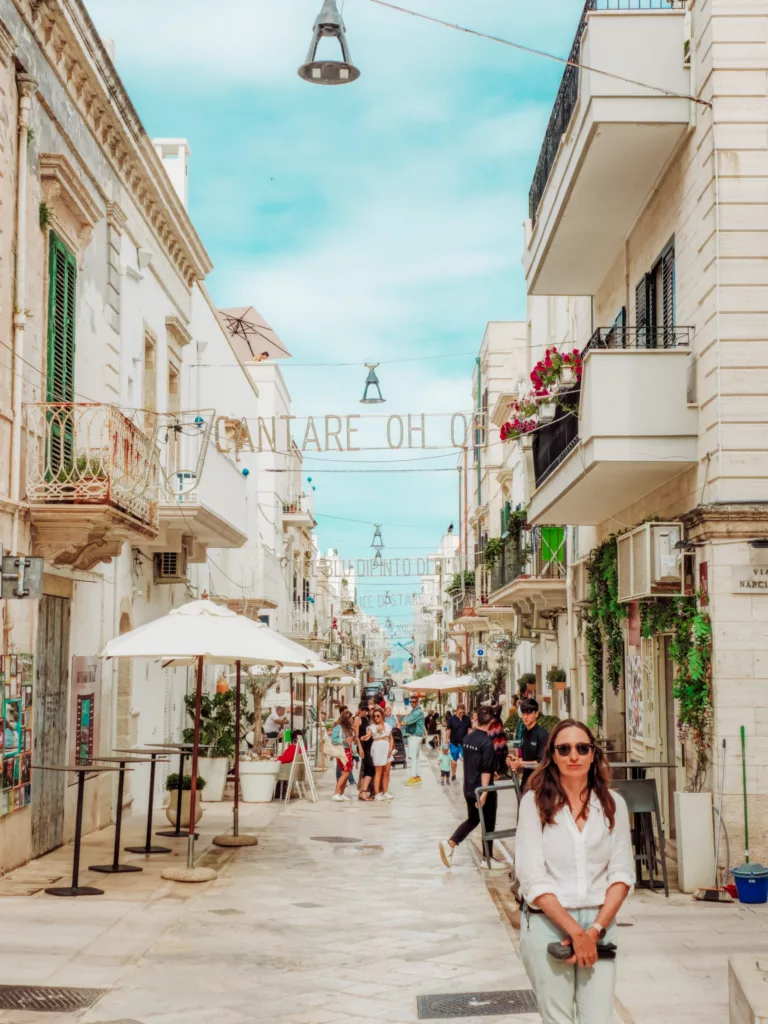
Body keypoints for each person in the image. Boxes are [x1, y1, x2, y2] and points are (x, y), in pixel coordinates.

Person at [515, 720, 634, 1023]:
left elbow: (621, 874)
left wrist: (592, 931)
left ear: (593, 754)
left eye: (582, 748)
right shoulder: (535, 803)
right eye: (564, 749)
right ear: (552, 755)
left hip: (599, 923)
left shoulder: (612, 804)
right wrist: (575, 932)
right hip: (548, 924)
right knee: (557, 1019)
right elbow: (532, 878)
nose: (574, 756)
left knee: (598, 1018)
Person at [439, 707, 504, 869]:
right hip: (483, 789)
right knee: (488, 823)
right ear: (491, 722)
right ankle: (487, 859)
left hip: (468, 787)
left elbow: (474, 762)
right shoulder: (487, 742)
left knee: (473, 819)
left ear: (477, 720)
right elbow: (485, 770)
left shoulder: (467, 739)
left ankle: (451, 844)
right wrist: (483, 794)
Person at [508, 697, 550, 791]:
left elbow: (541, 763)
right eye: (523, 713)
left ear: (536, 714)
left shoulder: (543, 735)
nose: (525, 717)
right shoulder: (524, 733)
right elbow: (525, 758)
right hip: (526, 782)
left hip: (539, 785)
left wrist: (521, 763)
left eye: (529, 713)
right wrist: (515, 760)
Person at [369, 707, 394, 801]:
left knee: (386, 772)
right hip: (378, 747)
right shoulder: (372, 727)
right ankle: (377, 793)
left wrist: (391, 748)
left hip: (387, 747)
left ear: (382, 716)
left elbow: (391, 738)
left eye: (378, 715)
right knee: (378, 772)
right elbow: (368, 735)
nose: (376, 718)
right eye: (374, 716)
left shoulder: (387, 726)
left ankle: (385, 792)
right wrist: (364, 737)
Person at [402, 695, 425, 786]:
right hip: (416, 735)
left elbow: (407, 721)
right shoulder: (415, 711)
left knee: (412, 757)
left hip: (414, 735)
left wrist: (405, 719)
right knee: (416, 757)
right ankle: (417, 776)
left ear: (417, 702)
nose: (411, 703)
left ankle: (413, 776)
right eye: (410, 702)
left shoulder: (417, 712)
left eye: (413, 702)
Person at [331, 711, 355, 802]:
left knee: (347, 772)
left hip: (347, 751)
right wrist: (344, 739)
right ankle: (336, 793)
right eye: (349, 718)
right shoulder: (338, 727)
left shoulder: (348, 728)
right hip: (342, 751)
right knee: (345, 773)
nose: (351, 719)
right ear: (345, 719)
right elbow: (334, 740)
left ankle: (341, 793)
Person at [354, 701, 375, 802]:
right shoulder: (357, 718)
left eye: (364, 710)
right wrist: (360, 747)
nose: (363, 712)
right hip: (363, 745)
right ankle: (363, 791)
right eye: (361, 710)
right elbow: (356, 735)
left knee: (366, 768)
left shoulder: (366, 718)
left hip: (369, 745)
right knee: (370, 768)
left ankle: (362, 793)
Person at [446, 704, 470, 783]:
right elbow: (448, 731)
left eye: (463, 712)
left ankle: (466, 775)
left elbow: (469, 730)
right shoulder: (451, 719)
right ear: (456, 710)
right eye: (460, 712)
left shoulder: (467, 719)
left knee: (465, 759)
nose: (462, 714)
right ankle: (453, 775)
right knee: (454, 759)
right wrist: (446, 742)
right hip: (454, 742)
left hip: (464, 742)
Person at [487, 698, 509, 778]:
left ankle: (501, 770)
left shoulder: (498, 707)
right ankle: (498, 770)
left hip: (497, 729)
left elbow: (496, 714)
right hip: (493, 729)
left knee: (500, 748)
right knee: (495, 748)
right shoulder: (492, 709)